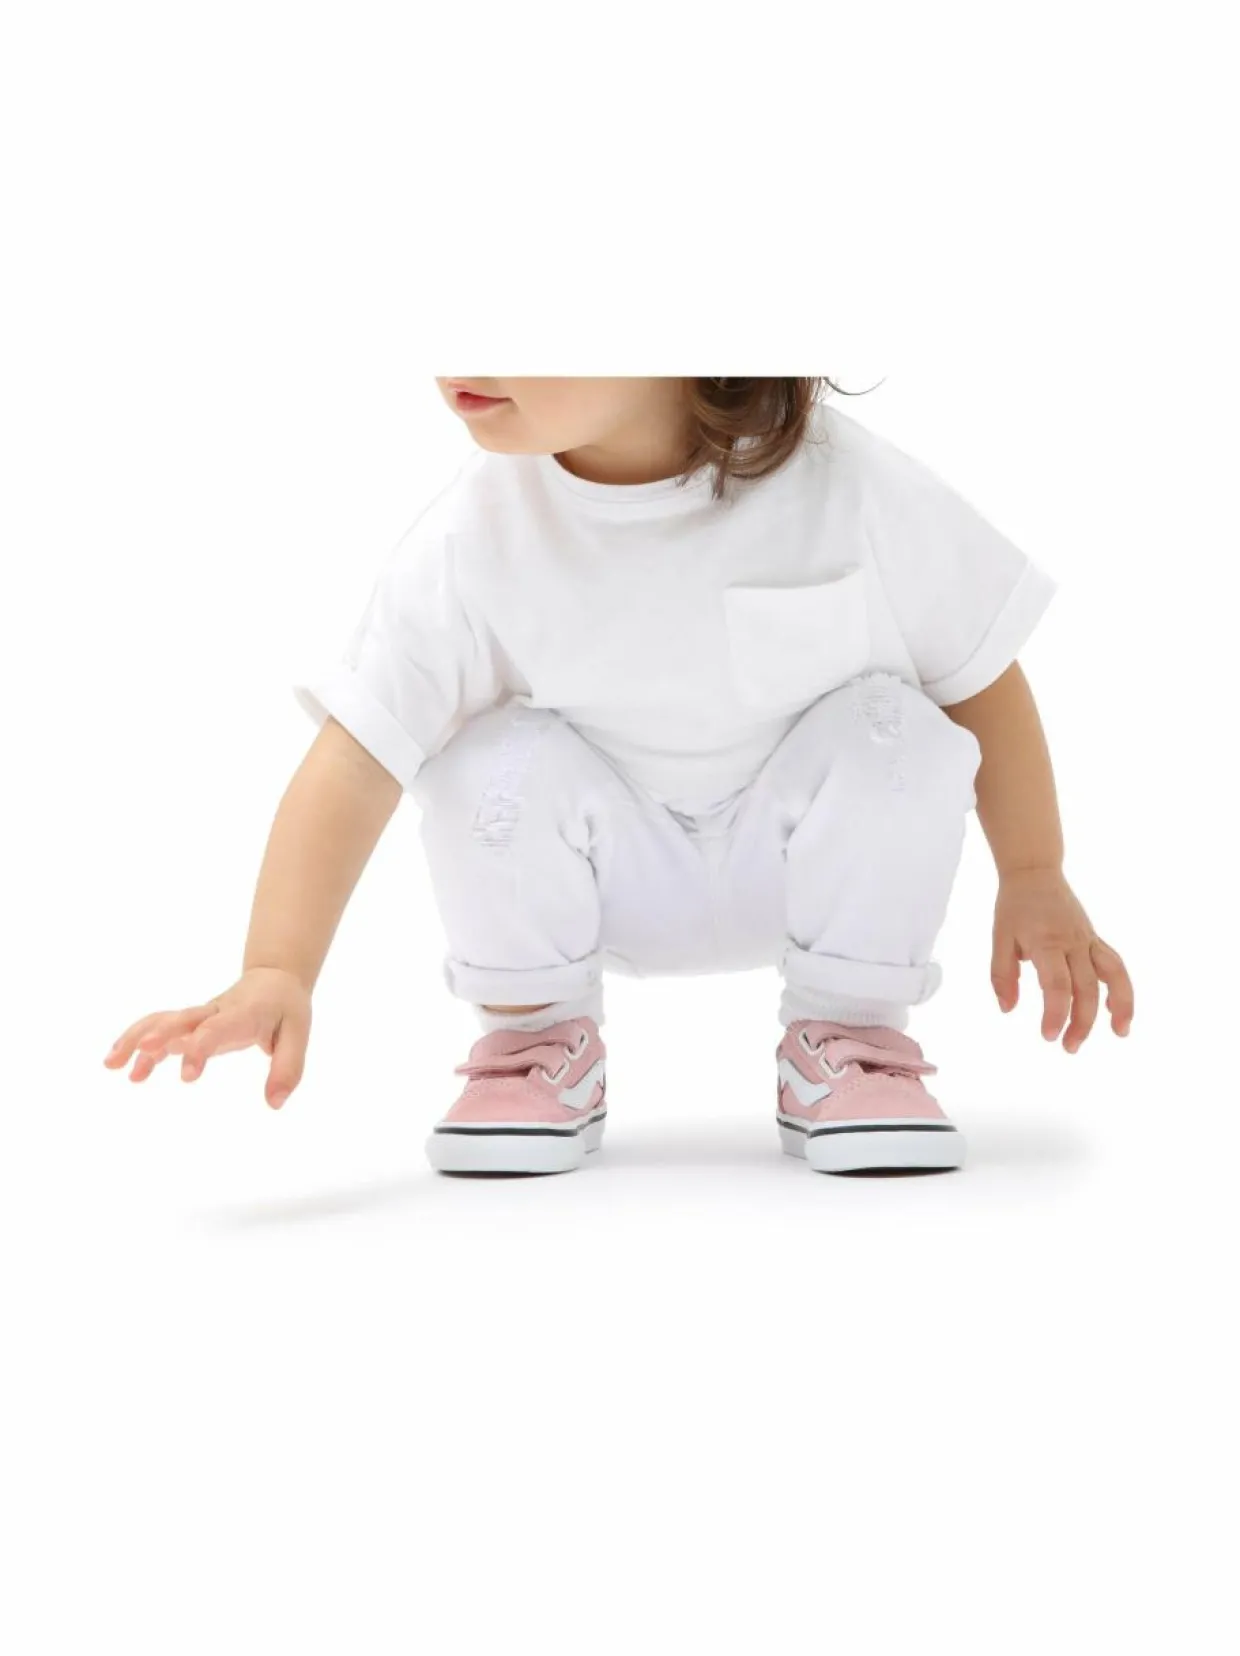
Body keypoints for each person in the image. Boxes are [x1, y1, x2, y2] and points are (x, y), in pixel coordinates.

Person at [103, 377, 1134, 1176]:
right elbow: (358, 753)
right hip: (597, 882)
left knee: (897, 732)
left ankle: (851, 1040)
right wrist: (277, 969)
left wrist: (1034, 873)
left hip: (813, 875)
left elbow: (978, 673)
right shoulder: (473, 534)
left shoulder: (847, 483)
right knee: (482, 759)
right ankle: (536, 1047)